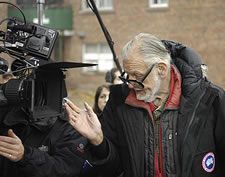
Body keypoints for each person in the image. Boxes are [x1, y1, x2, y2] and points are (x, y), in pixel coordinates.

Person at [65, 33, 225, 177]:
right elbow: (113, 168)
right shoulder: (118, 102)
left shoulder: (210, 99)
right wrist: (98, 141)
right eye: (128, 75)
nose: (129, 84)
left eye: (137, 76)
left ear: (161, 69)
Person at [0, 74, 89, 177]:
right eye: (28, 83)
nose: (34, 93)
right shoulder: (8, 113)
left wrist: (25, 155)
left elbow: (67, 169)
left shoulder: (71, 124)